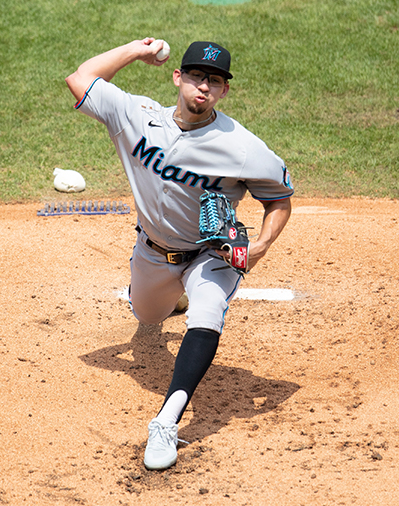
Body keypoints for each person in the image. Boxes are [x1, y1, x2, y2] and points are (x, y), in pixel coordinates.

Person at [65, 38, 294, 470]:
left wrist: (260, 247)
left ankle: (166, 421)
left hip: (212, 254)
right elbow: (80, 79)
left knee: (208, 309)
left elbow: (279, 199)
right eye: (196, 77)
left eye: (214, 81)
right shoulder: (136, 116)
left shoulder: (241, 147)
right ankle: (168, 296)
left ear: (224, 91)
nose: (203, 87)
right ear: (178, 77)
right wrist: (135, 49)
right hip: (152, 253)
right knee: (148, 315)